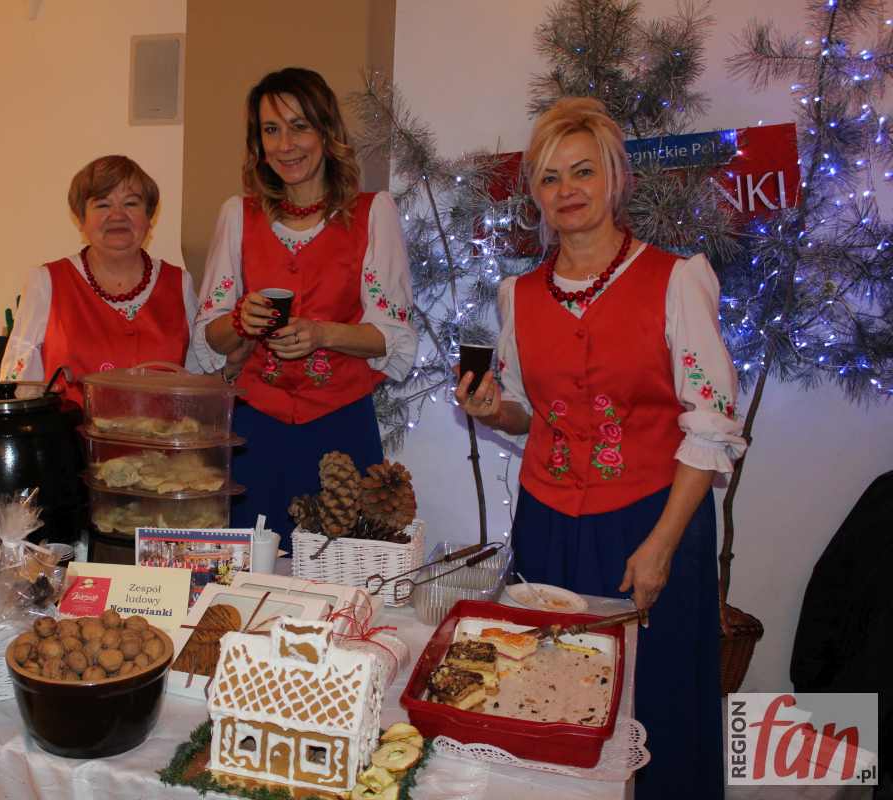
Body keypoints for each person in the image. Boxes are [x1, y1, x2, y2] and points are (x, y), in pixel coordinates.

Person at [456, 97, 745, 799]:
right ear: (535, 194)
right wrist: (493, 409)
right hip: (549, 523)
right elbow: (526, 411)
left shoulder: (676, 280)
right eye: (550, 178)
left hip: (649, 520)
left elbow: (709, 423)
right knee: (548, 693)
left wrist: (662, 546)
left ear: (615, 179)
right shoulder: (519, 294)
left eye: (583, 171)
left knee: (656, 696)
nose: (568, 190)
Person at [193, 67, 417, 551]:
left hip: (341, 428)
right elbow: (209, 340)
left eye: (299, 127)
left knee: (341, 571)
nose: (285, 145)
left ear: (327, 133)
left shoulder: (372, 213)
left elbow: (392, 337)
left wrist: (321, 334)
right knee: (250, 571)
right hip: (255, 430)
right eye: (271, 130)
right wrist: (239, 322)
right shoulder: (238, 215)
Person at [0, 155, 199, 405]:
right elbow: (19, 388)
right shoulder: (46, 282)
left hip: (163, 431)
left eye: (131, 203)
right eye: (102, 205)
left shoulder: (180, 283)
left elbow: (198, 382)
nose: (117, 215)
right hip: (71, 431)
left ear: (150, 218)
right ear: (81, 219)